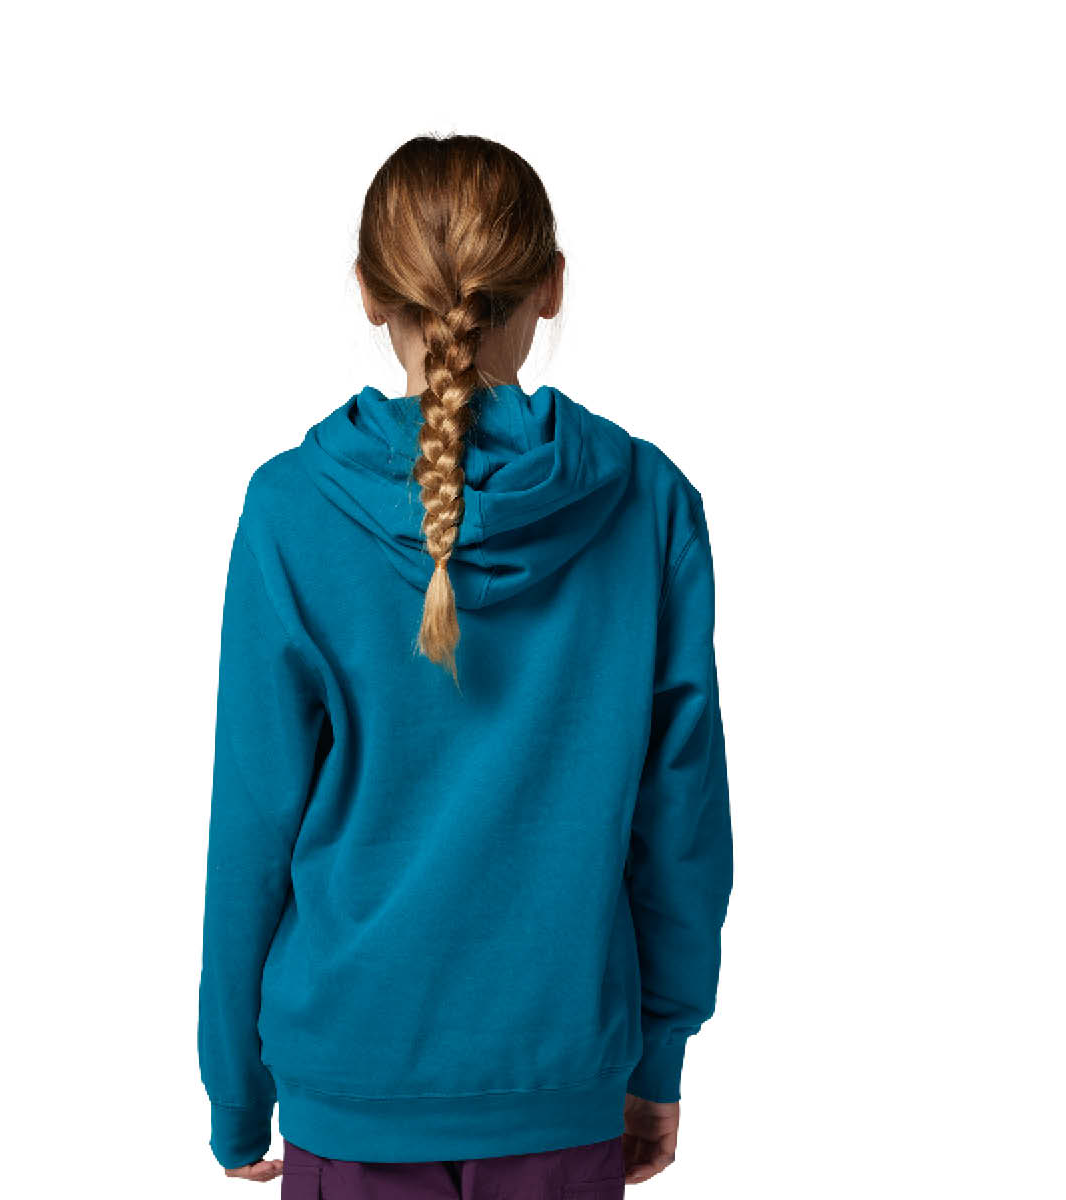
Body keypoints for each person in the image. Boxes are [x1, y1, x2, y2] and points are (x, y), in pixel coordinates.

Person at [196, 133, 734, 1198]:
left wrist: (235, 1091)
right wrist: (657, 1057)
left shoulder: (292, 511)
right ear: (551, 285)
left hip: (351, 1080)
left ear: (368, 292)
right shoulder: (649, 503)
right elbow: (682, 823)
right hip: (562, 1080)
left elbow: (251, 827)